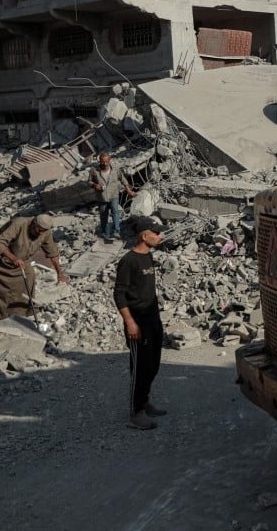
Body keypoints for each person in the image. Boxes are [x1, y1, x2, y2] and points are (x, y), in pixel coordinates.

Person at [114, 216, 167, 430]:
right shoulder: (129, 261)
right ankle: (135, 413)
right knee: (140, 368)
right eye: (156, 233)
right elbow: (119, 294)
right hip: (137, 321)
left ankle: (144, 401)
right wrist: (130, 323)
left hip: (152, 318)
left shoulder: (149, 257)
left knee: (153, 364)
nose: (160, 236)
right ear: (144, 236)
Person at [0, 214, 68, 320]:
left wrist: (60, 273)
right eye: (39, 230)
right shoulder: (19, 223)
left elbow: (53, 253)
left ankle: (20, 313)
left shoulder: (45, 232)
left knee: (29, 276)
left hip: (21, 262)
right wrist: (13, 258)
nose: (40, 233)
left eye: (43, 231)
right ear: (33, 223)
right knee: (0, 289)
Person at [88, 152, 135, 243]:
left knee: (115, 211)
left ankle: (116, 231)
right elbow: (89, 181)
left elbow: (123, 180)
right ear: (99, 161)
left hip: (114, 195)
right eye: (102, 162)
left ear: (109, 161)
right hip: (102, 197)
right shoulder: (94, 170)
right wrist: (94, 185)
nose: (104, 164)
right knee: (103, 215)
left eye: (106, 162)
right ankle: (106, 233)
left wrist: (129, 191)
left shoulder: (115, 170)